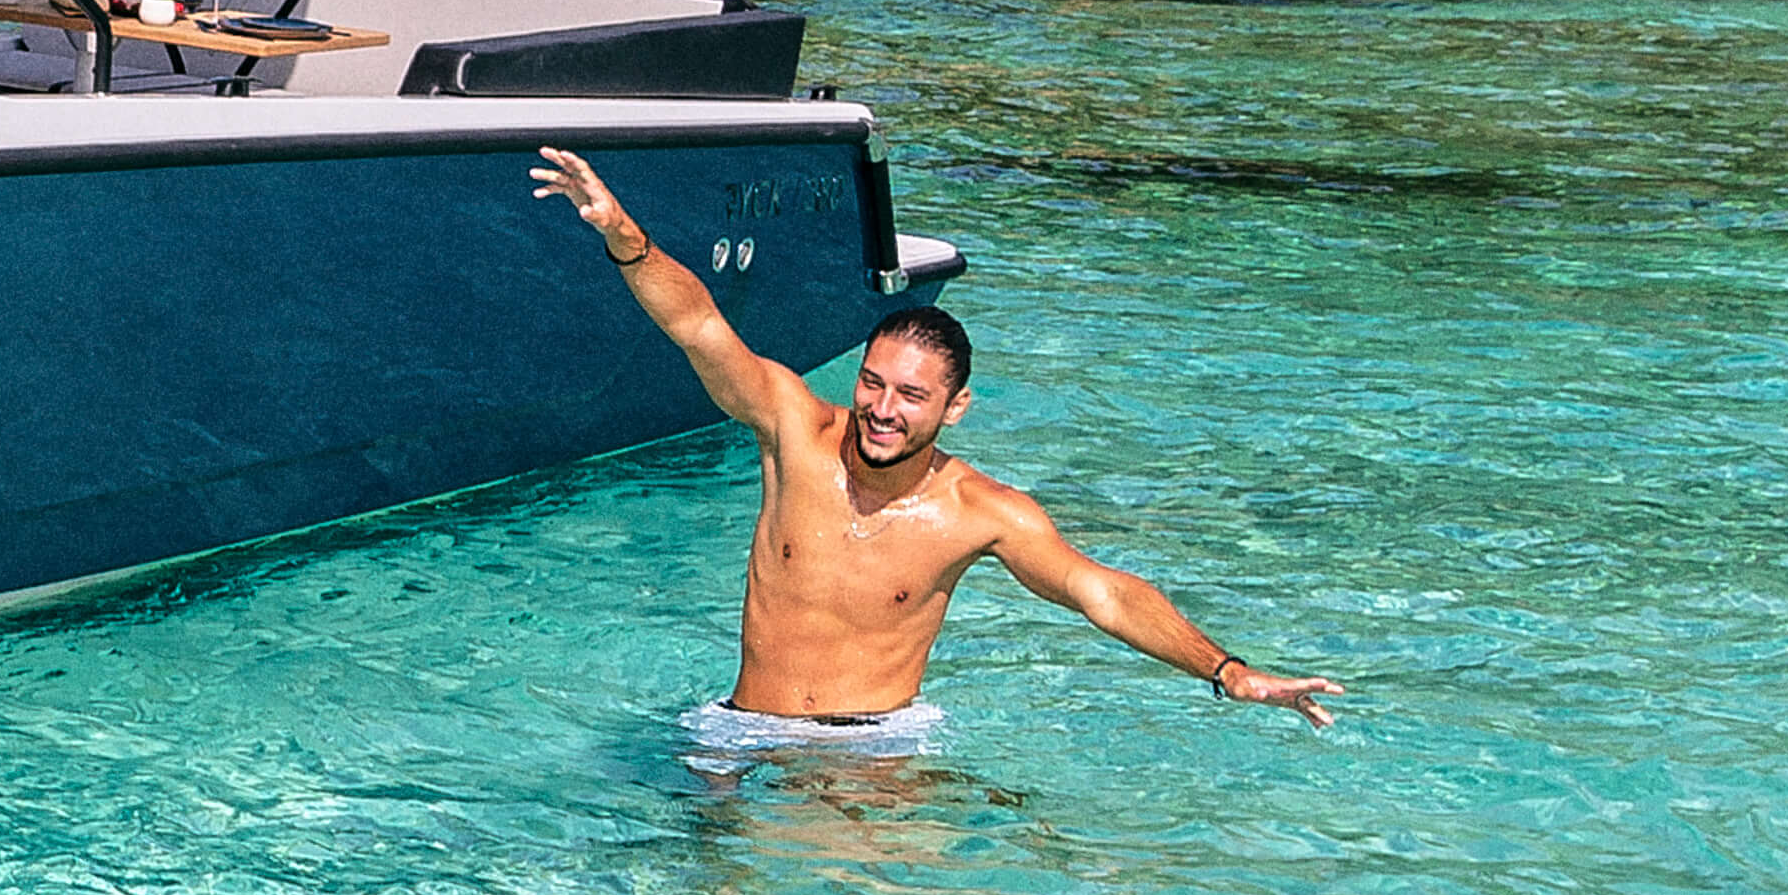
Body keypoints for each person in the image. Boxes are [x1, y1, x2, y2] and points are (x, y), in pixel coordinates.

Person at [533, 152, 1337, 759]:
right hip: (740, 728)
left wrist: (1228, 672)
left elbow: (1107, 593)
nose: (881, 409)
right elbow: (699, 326)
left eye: (910, 397)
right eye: (873, 383)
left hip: (874, 747)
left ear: (955, 408)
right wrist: (624, 234)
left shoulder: (980, 513)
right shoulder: (792, 429)